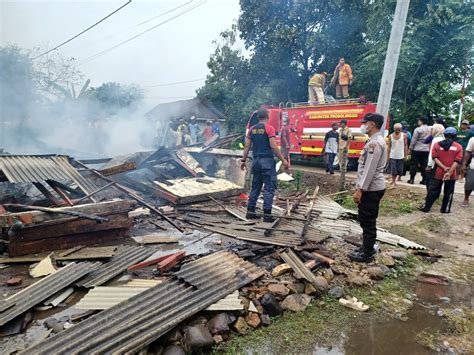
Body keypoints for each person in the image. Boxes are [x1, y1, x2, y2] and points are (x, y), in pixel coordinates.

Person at [349, 113, 387, 263]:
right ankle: (366, 247)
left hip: (371, 189)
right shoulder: (374, 141)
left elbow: (370, 169)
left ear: (371, 124)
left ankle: (367, 254)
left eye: (365, 123)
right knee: (366, 219)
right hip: (372, 187)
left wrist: (360, 189)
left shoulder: (374, 143)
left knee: (368, 220)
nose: (363, 125)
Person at [241, 108, 289, 222]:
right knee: (269, 188)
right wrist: (283, 159)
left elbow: (247, 146)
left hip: (256, 162)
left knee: (256, 187)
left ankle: (250, 212)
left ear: (258, 117)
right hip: (267, 162)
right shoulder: (269, 128)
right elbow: (273, 146)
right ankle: (267, 215)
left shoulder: (252, 129)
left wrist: (243, 160)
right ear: (267, 116)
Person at [420, 127, 463, 213]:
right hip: (452, 173)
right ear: (455, 136)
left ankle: (426, 207)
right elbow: (457, 161)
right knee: (449, 192)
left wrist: (443, 167)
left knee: (433, 190)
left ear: (444, 135)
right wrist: (449, 171)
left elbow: (434, 158)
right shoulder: (458, 147)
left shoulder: (437, 145)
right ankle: (445, 209)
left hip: (438, 171)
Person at [408, 116, 430, 185]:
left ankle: (412, 179)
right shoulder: (430, 129)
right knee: (424, 164)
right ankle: (424, 180)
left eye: (419, 120)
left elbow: (414, 140)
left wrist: (410, 148)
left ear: (421, 121)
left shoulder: (418, 129)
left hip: (417, 149)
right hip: (426, 149)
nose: (418, 122)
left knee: (414, 164)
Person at [425, 120, 445, 189]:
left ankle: (429, 196)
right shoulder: (443, 138)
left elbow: (432, 154)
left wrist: (429, 165)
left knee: (429, 181)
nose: (431, 131)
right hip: (441, 164)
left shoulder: (435, 140)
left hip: (434, 164)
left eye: (433, 129)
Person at [460, 136, 474, 207]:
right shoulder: (473, 139)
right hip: (473, 166)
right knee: (469, 184)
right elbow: (468, 152)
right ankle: (466, 198)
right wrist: (464, 164)